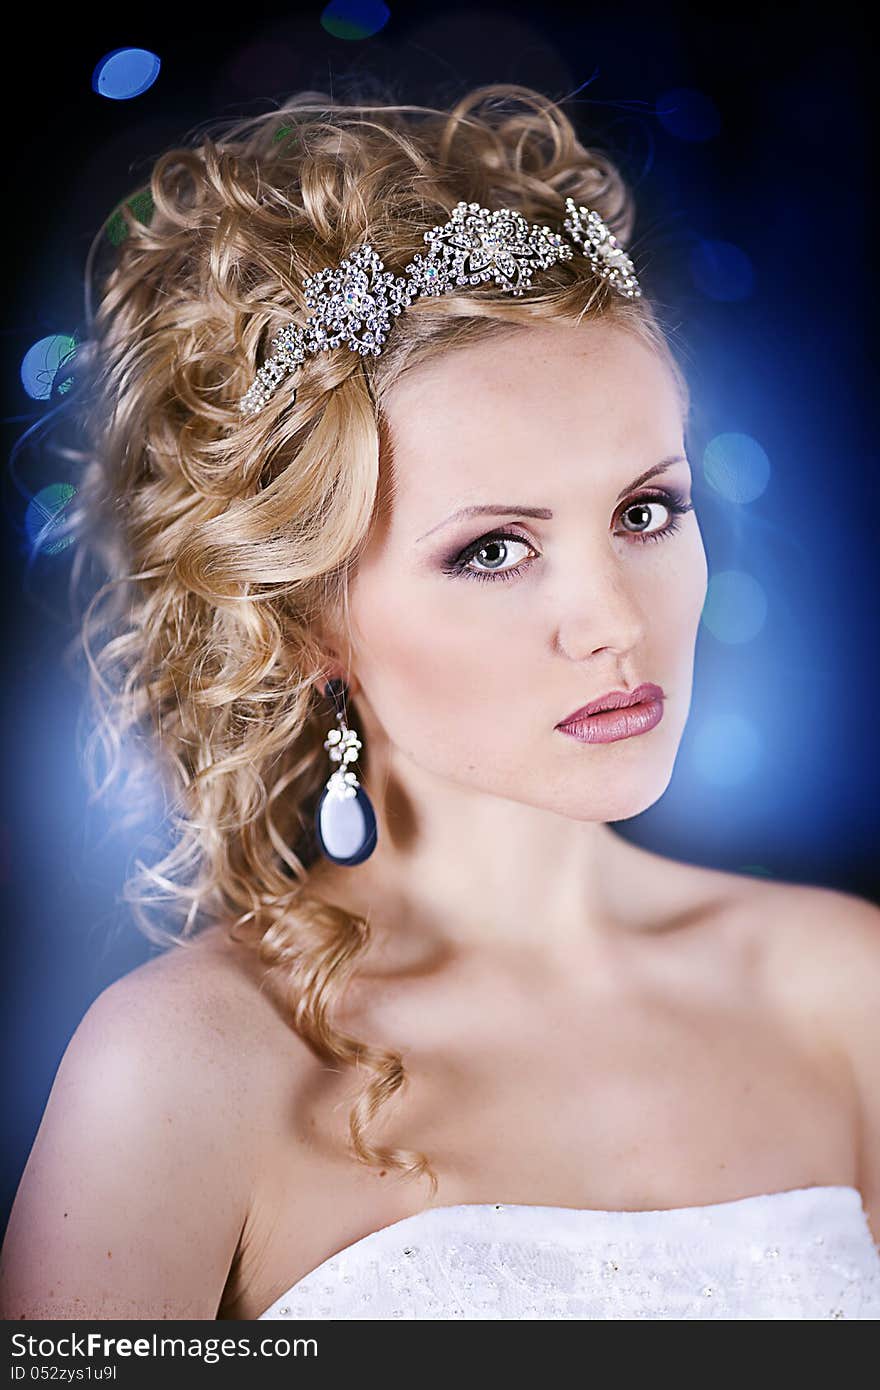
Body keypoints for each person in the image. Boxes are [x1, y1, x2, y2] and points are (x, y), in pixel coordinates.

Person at [1, 81, 878, 1322]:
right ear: (308, 621)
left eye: (644, 511)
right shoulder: (182, 1074)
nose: (616, 621)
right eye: (493, 550)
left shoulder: (846, 995)